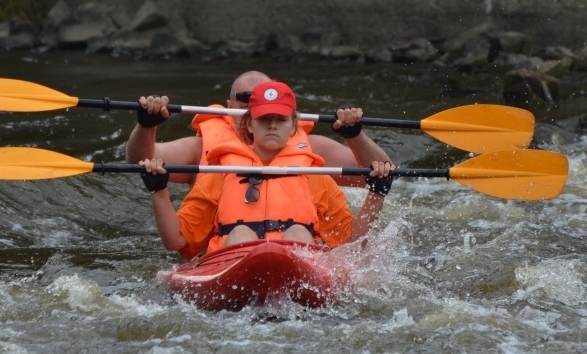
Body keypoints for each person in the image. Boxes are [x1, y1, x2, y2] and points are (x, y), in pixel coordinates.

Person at [139, 81, 395, 258]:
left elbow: (351, 243)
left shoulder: (314, 175)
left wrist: (377, 194)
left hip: (296, 268)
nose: (272, 126)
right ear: (249, 125)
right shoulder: (221, 173)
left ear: (294, 125)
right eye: (264, 120)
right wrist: (158, 191)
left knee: (297, 232)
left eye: (280, 120)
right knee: (240, 233)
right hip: (234, 264)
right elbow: (177, 242)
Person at [126, 70, 394, 187]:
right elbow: (140, 160)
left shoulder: (310, 148)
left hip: (293, 243)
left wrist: (354, 135)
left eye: (265, 98)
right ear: (230, 104)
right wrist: (146, 125)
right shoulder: (200, 149)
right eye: (247, 99)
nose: (256, 107)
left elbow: (380, 173)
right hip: (227, 247)